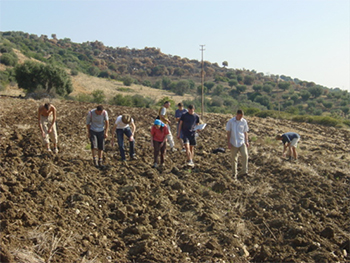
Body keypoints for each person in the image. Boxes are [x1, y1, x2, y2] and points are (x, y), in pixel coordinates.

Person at [226, 109, 249, 180]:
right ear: (237, 114)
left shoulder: (244, 121)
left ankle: (244, 171)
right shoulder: (231, 122)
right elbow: (228, 132)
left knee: (245, 155)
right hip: (233, 142)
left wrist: (246, 141)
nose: (240, 118)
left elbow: (245, 132)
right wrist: (229, 142)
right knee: (234, 159)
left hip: (242, 142)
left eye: (242, 116)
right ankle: (234, 174)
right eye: (239, 116)